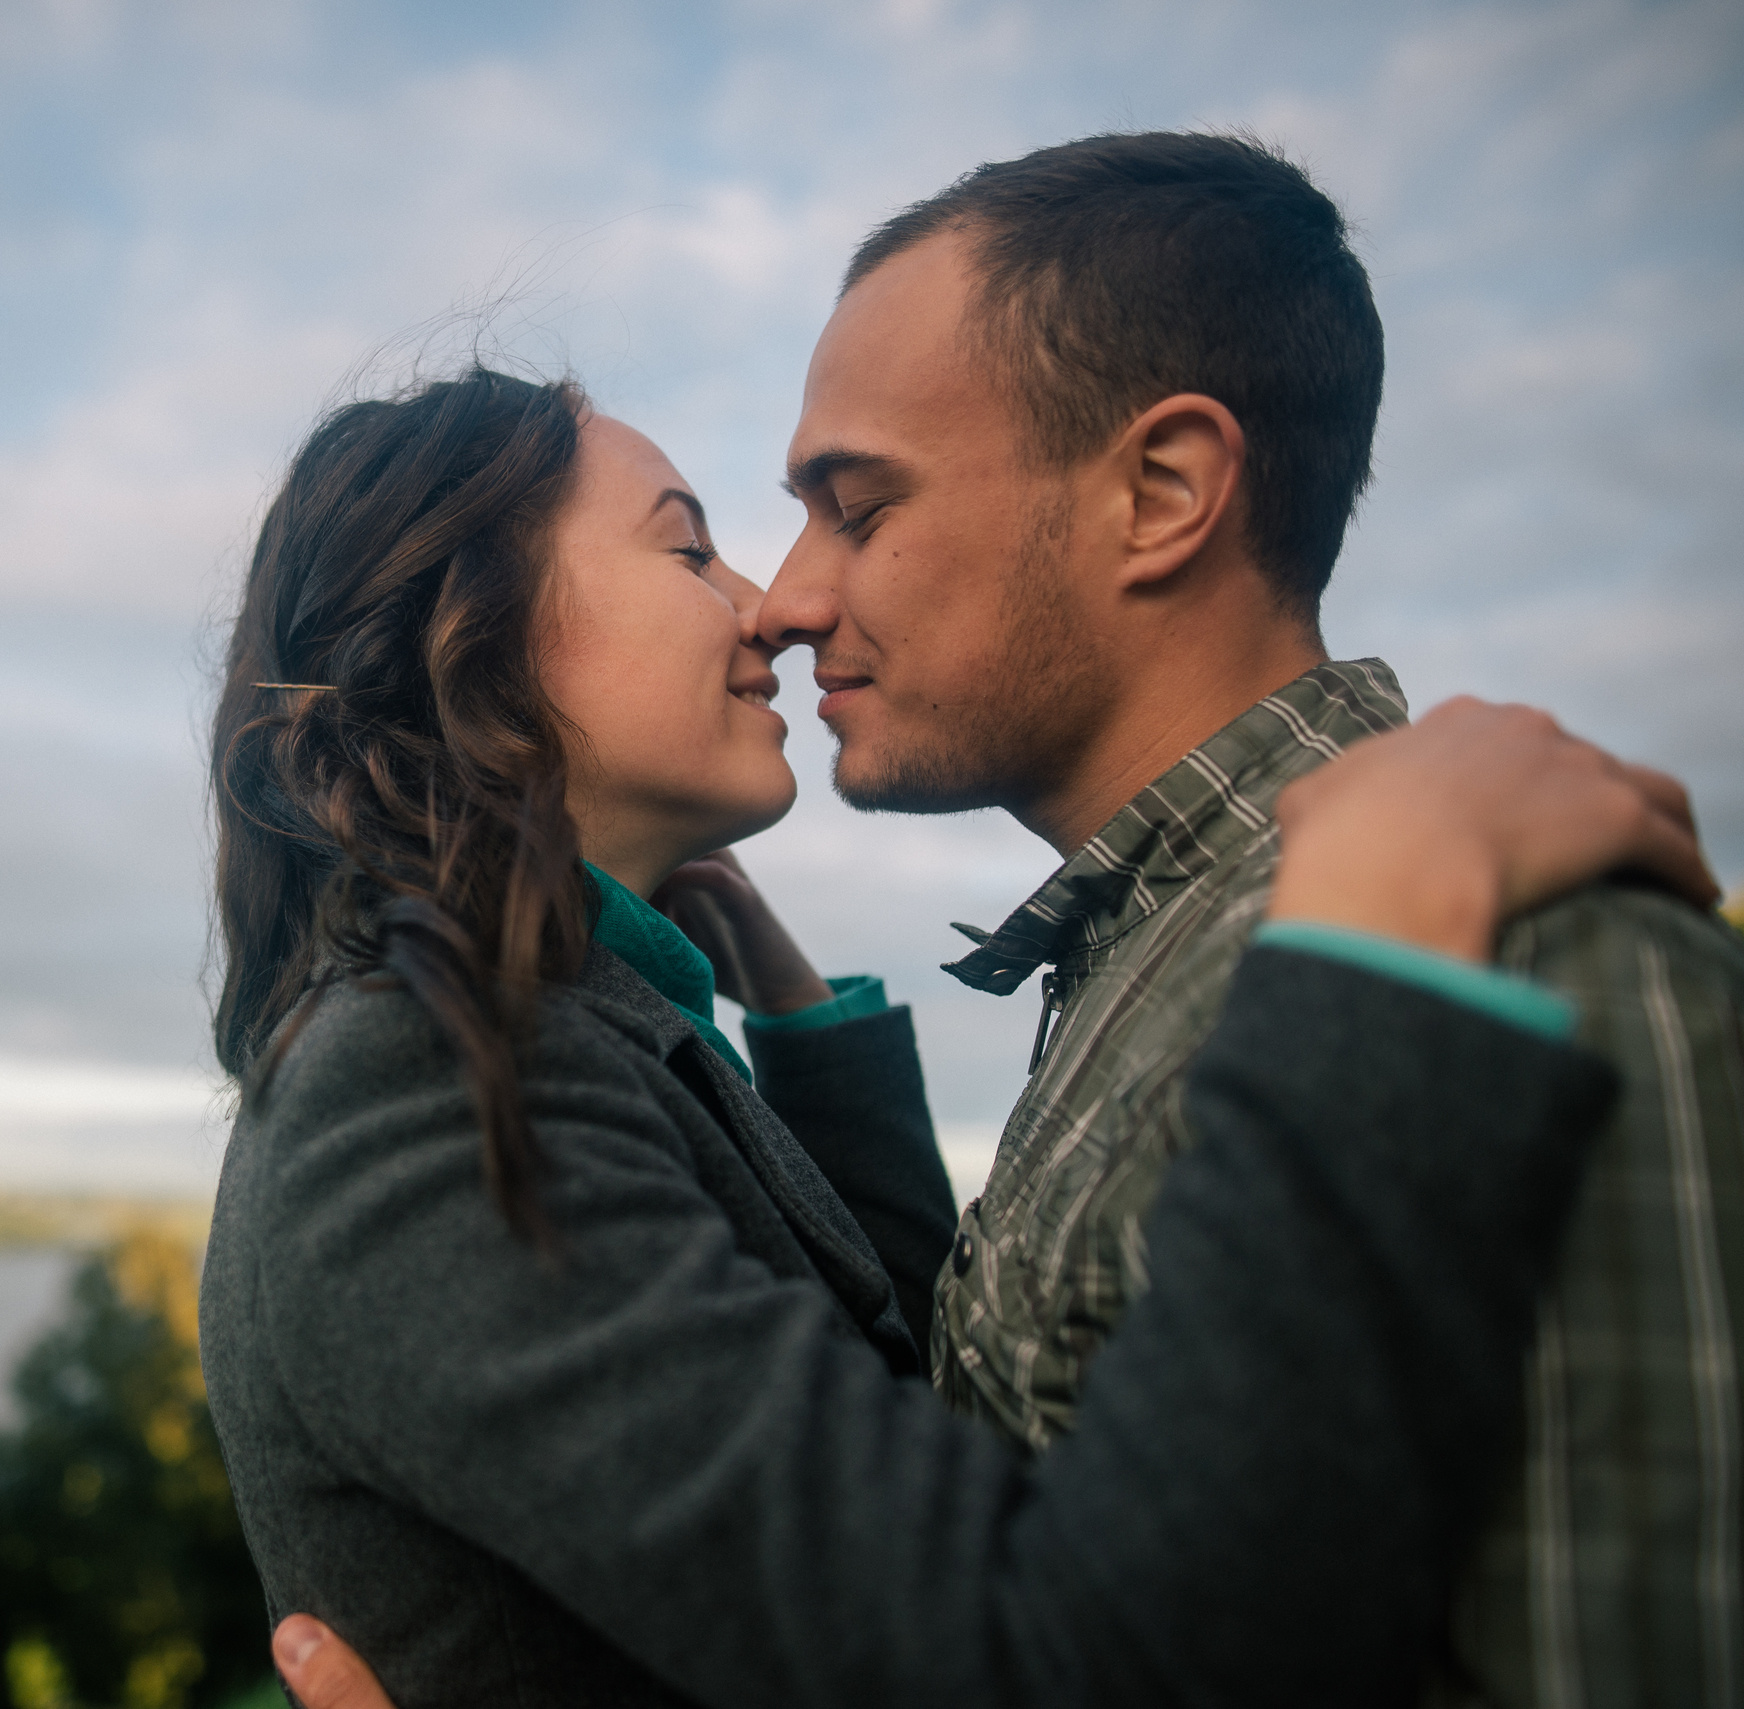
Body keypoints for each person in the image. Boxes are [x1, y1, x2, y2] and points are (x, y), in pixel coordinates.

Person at [204, 366, 1716, 1707]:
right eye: (689, 546)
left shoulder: (561, 1020)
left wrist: (805, 1035)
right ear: (467, 626)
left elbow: (896, 1416)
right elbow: (1033, 1655)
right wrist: (1372, 943)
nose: (767, 604)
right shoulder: (410, 1080)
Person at [760, 132, 1744, 1709]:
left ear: (1160, 494)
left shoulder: (1528, 962)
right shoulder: (1146, 950)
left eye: (859, 509)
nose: (785, 599)